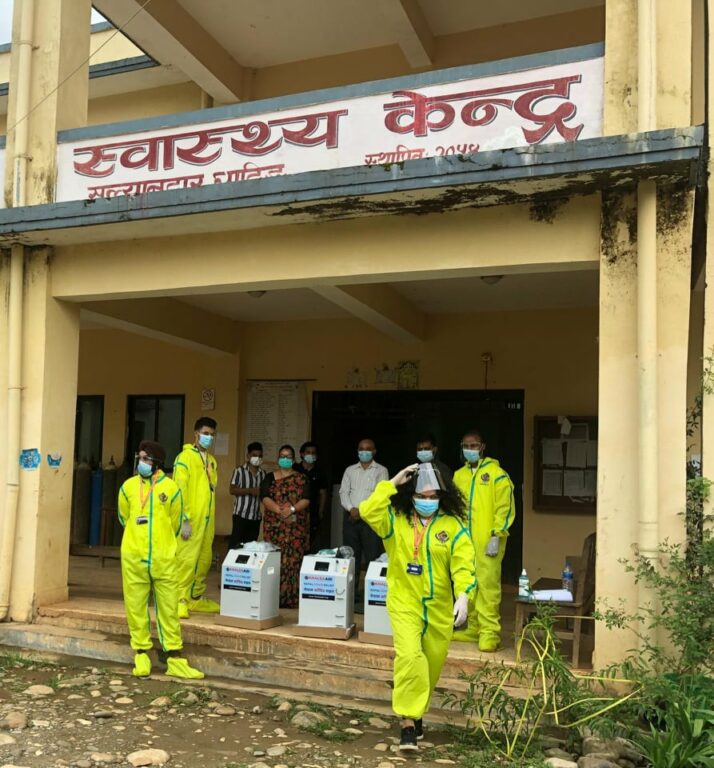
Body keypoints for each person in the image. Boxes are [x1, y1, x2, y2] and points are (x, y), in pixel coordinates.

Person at [359, 462, 476, 752]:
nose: (427, 501)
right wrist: (392, 483)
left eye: (432, 496)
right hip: (404, 602)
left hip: (438, 608)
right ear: (410, 496)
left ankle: (417, 710)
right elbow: (367, 510)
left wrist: (463, 595)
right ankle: (408, 723)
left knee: (431, 664)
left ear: (442, 496)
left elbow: (464, 566)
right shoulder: (395, 519)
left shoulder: (453, 526)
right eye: (421, 496)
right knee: (410, 657)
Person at [118, 440, 204, 680]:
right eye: (140, 457)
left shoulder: (171, 488)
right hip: (134, 557)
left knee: (168, 607)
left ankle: (174, 657)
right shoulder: (127, 487)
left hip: (164, 558)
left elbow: (176, 523)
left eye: (146, 458)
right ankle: (141, 654)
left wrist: (163, 542)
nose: (141, 462)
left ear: (157, 462)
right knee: (135, 606)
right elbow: (124, 517)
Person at [453, 429, 515, 652]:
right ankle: (471, 628)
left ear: (482, 447)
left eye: (474, 445)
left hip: (488, 541)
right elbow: (454, 507)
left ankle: (489, 632)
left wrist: (497, 534)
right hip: (464, 541)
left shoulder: (497, 474)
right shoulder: (458, 476)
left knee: (487, 587)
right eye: (466, 446)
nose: (470, 449)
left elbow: (504, 507)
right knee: (466, 584)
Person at [173, 416, 219, 619]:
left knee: (204, 559)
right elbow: (180, 489)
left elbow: (211, 488)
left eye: (212, 435)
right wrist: (184, 519)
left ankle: (195, 597)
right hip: (190, 520)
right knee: (186, 559)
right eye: (205, 433)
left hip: (207, 520)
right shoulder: (184, 458)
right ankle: (180, 599)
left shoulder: (211, 461)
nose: (209, 437)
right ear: (196, 434)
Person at [260, 444, 311, 608]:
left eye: (288, 457)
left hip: (295, 528)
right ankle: (272, 598)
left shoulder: (302, 478)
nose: (285, 459)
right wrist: (280, 511)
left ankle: (291, 598)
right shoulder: (269, 477)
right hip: (274, 527)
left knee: (293, 561)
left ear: (294, 460)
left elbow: (307, 498)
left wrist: (292, 510)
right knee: (274, 560)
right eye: (282, 456)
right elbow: (264, 496)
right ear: (278, 459)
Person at [340, 439, 389, 584]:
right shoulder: (349, 470)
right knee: (350, 557)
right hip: (350, 518)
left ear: (374, 451)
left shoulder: (381, 470)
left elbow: (380, 496)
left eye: (368, 449)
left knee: (372, 557)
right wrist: (351, 509)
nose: (364, 452)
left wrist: (361, 511)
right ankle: (351, 591)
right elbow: (343, 492)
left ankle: (370, 591)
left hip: (371, 520)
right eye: (361, 449)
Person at [228, 441, 266, 549]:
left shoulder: (263, 474)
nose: (257, 458)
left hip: (255, 517)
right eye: (254, 455)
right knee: (235, 546)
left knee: (250, 547)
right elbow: (232, 490)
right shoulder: (239, 471)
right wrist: (249, 490)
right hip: (240, 515)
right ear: (248, 456)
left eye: (260, 456)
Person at [294, 441, 328, 551]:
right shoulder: (294, 469)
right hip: (295, 509)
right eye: (308, 452)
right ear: (302, 454)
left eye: (313, 453)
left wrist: (320, 511)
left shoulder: (320, 472)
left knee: (310, 541)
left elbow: (323, 493)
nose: (311, 455)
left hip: (312, 510)